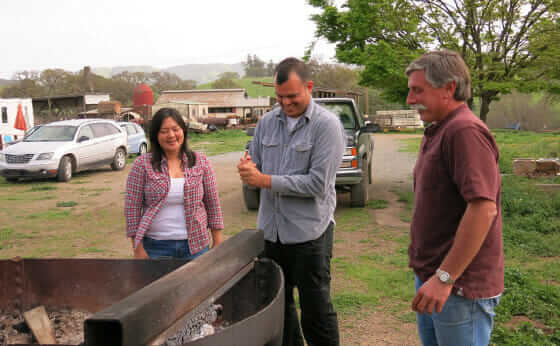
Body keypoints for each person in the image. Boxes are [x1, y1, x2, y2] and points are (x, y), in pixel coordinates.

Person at [237, 57, 344, 346]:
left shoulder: (327, 126)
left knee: (316, 311)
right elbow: (255, 163)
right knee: (278, 310)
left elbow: (317, 184)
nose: (285, 103)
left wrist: (265, 180)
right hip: (271, 234)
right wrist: (248, 169)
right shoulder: (267, 123)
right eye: (280, 96)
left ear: (309, 87)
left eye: (292, 96)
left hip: (310, 235)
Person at [406, 50, 503, 346]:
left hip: (458, 288)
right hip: (436, 279)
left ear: (449, 88)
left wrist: (445, 278)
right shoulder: (439, 129)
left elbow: (483, 209)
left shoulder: (464, 132)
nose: (410, 100)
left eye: (417, 90)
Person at [125, 107, 223, 260]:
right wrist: (137, 248)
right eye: (164, 131)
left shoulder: (200, 161)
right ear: (156, 135)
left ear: (183, 131)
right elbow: (132, 208)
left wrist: (217, 242)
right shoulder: (142, 164)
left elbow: (212, 203)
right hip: (155, 247)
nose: (171, 135)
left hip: (196, 246)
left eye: (175, 129)